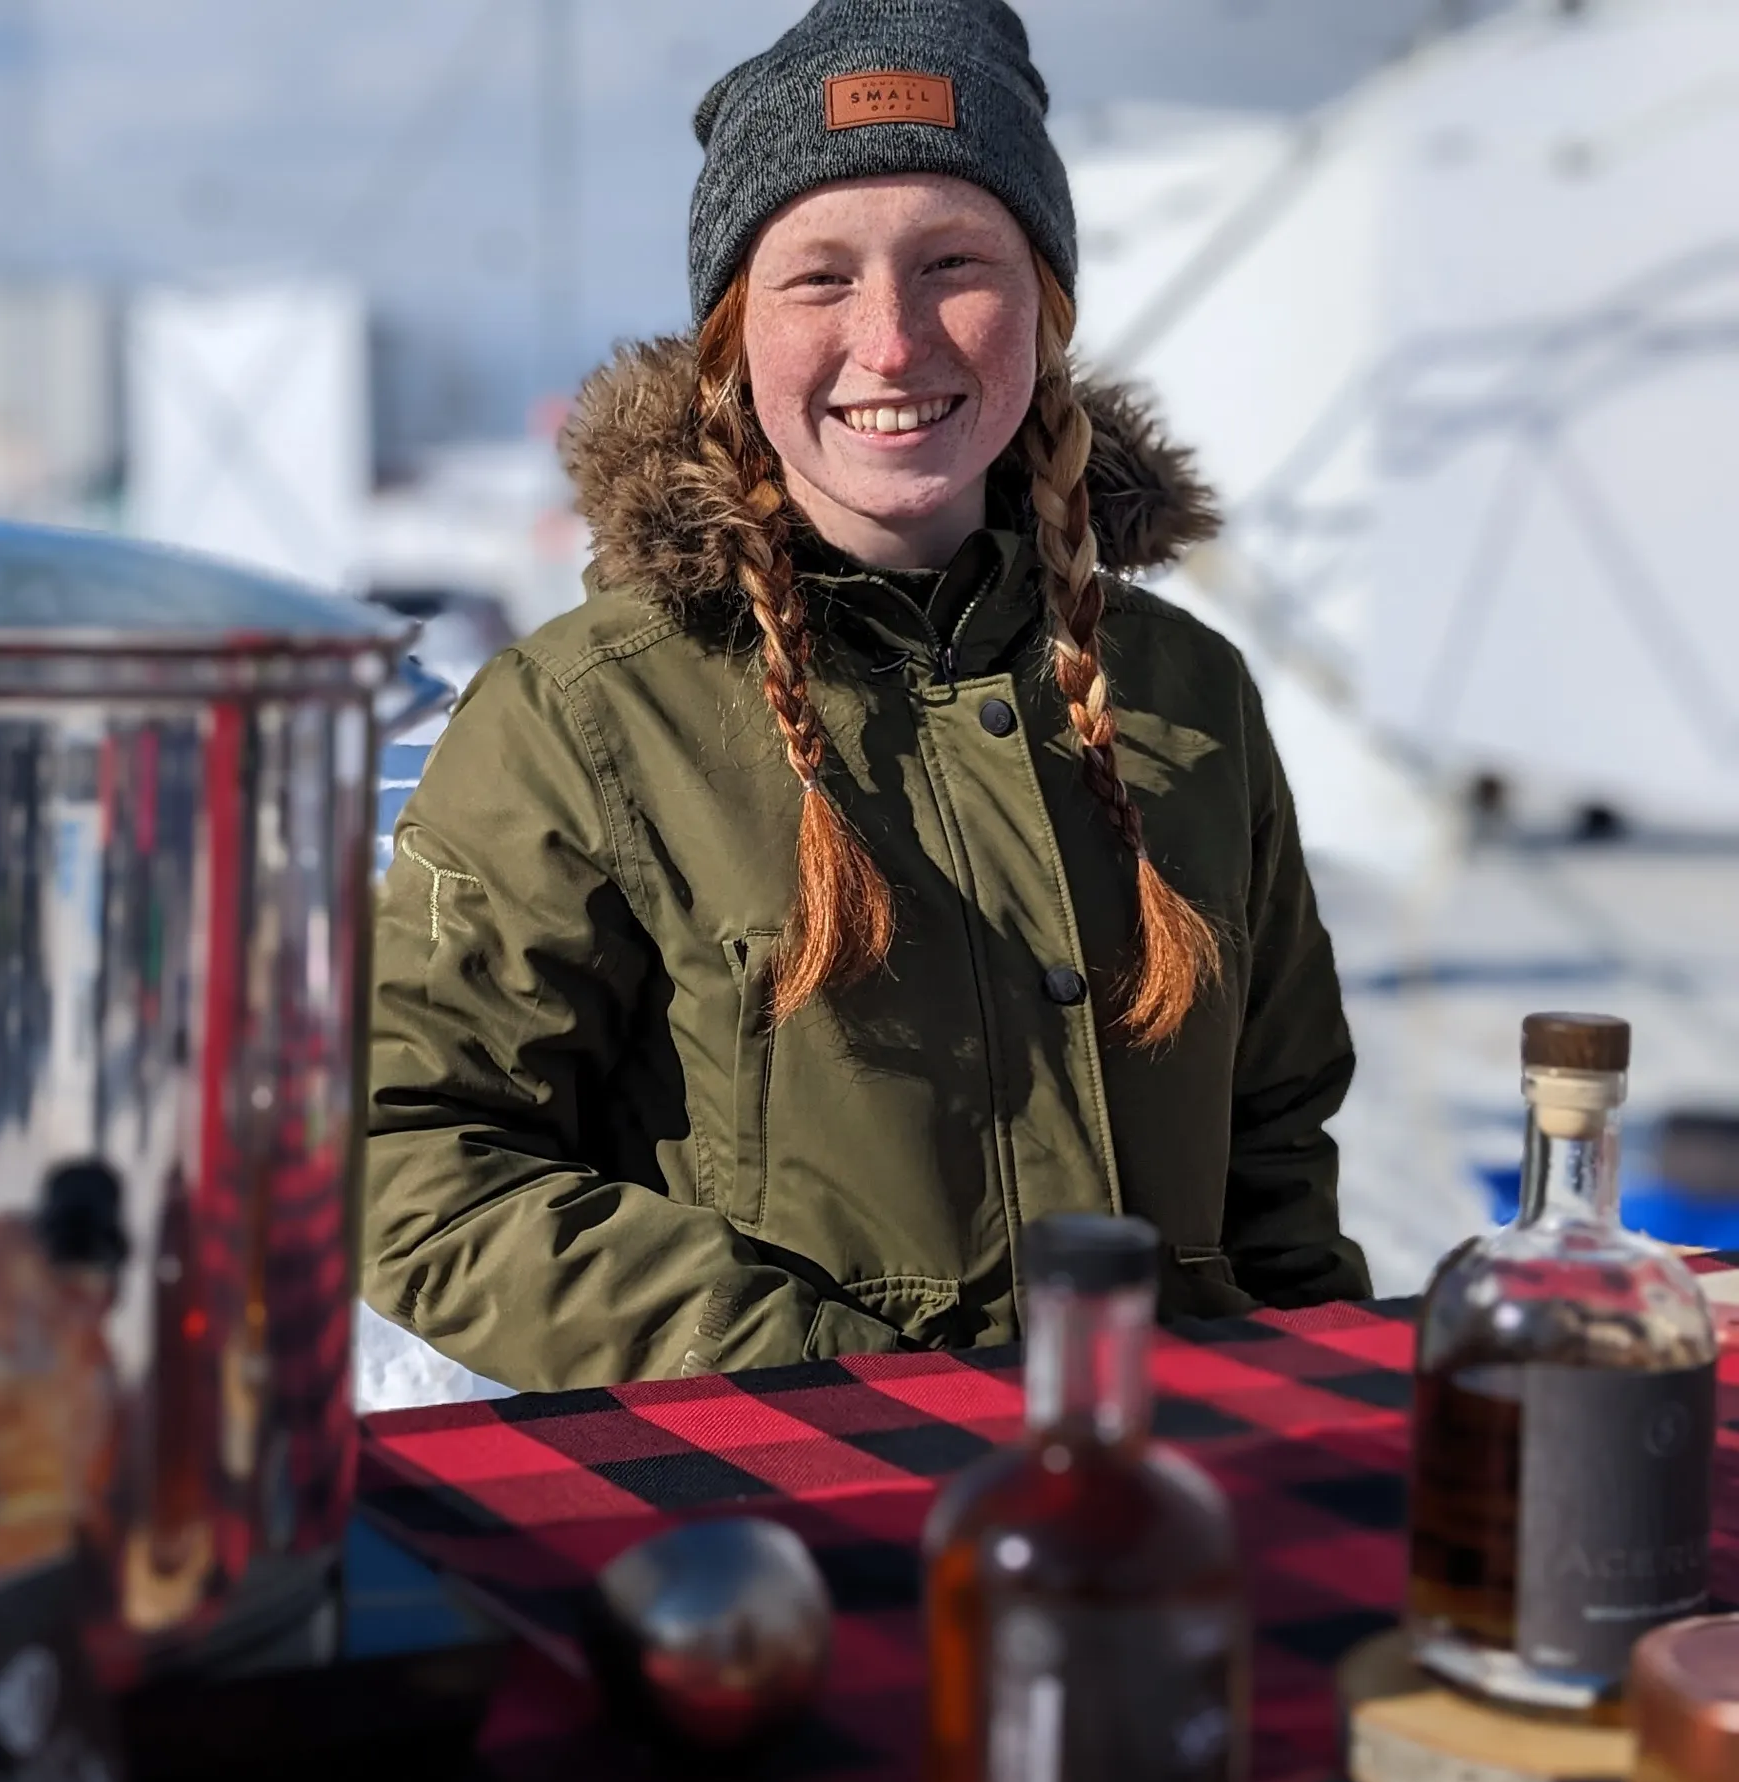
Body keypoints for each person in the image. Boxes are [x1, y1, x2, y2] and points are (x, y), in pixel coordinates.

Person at [363, 0, 1371, 1391]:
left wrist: (1322, 1422)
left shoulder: (1186, 695)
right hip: (784, 1521)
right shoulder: (584, 719)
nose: (893, 343)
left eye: (957, 262)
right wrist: (811, 1371)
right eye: (820, 279)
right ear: (730, 336)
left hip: (1159, 1502)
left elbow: (1276, 1148)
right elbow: (410, 1157)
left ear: (1045, 309)